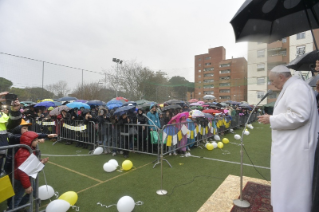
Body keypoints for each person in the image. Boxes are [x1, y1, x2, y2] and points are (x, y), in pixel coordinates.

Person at [257, 65, 318, 212]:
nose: (272, 84)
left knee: (292, 188)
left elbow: (300, 115)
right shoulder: (292, 87)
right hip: (290, 146)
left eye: (272, 80)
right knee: (285, 185)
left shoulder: (296, 88)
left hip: (295, 149)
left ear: (281, 77)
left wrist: (271, 119)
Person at [9, 131, 49, 210]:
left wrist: (41, 162)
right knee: (18, 197)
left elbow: (30, 164)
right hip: (21, 179)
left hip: (28, 176)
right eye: (35, 140)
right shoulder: (23, 152)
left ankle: (20, 207)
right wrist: (27, 186)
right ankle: (12, 209)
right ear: (29, 141)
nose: (37, 141)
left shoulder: (30, 149)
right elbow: (22, 171)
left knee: (32, 192)